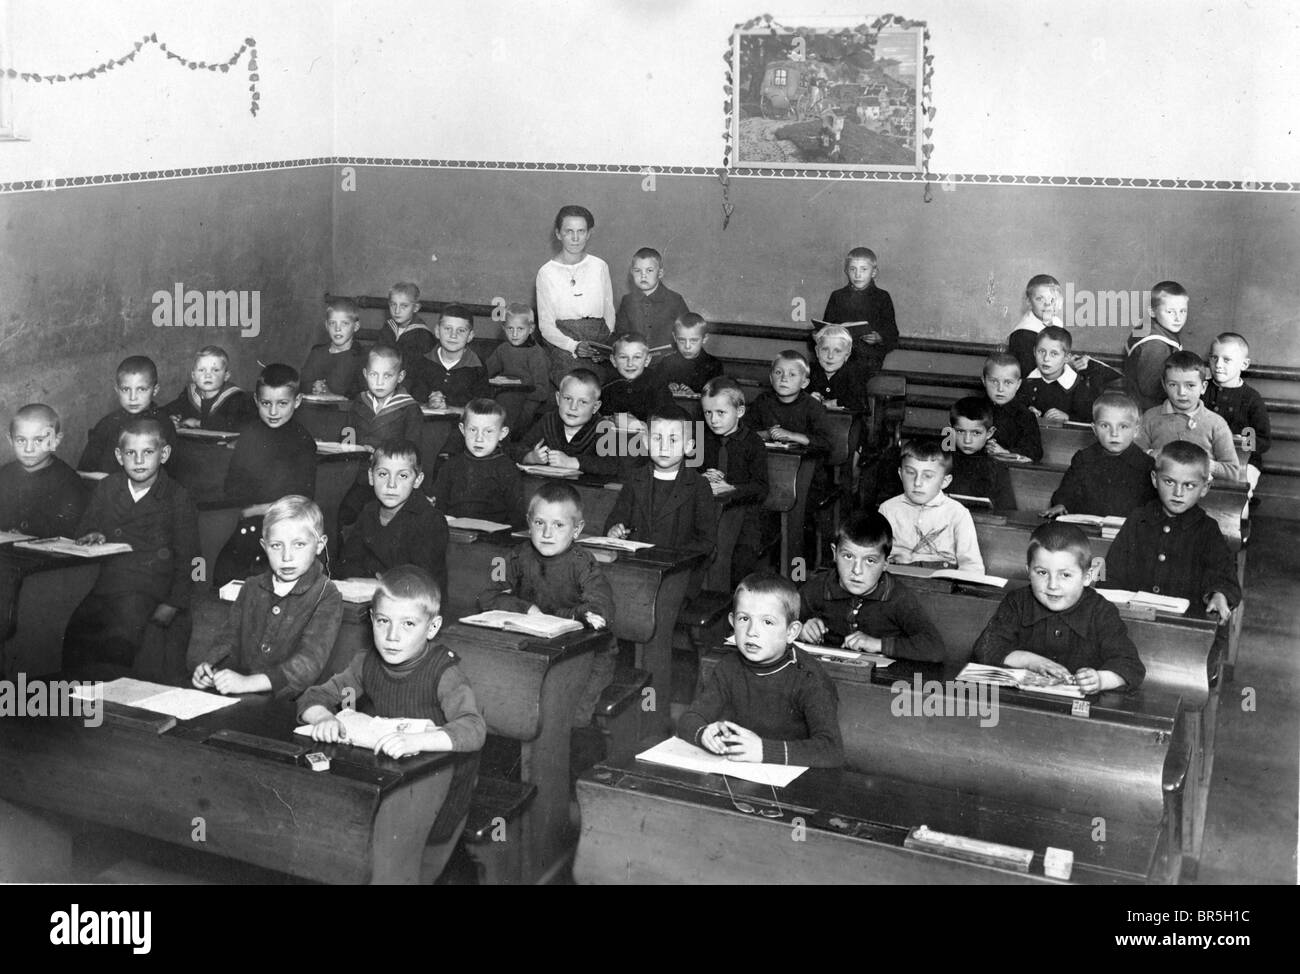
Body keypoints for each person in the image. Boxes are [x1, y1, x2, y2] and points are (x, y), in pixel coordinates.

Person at [297, 565, 485, 865]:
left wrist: (417, 741)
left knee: (391, 857)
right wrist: (322, 718)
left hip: (444, 787)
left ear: (432, 628)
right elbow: (314, 696)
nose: (392, 636)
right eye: (383, 621)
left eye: (408, 624)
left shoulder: (444, 673)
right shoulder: (366, 663)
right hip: (392, 776)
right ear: (372, 619)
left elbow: (474, 729)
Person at [65, 417, 197, 680]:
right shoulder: (108, 487)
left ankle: (114, 697)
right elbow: (83, 529)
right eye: (130, 453)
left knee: (120, 637)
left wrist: (176, 603)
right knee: (76, 629)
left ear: (164, 454)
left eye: (148, 452)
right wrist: (92, 534)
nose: (138, 461)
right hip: (104, 585)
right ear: (118, 455)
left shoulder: (177, 496)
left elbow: (194, 560)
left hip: (148, 589)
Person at [478, 481, 616, 724]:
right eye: (539, 523)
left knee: (571, 713)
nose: (547, 533)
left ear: (577, 529)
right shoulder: (517, 556)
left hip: (587, 654)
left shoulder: (584, 562)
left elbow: (600, 610)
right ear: (529, 522)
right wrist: (527, 609)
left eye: (559, 525)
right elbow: (488, 595)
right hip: (537, 647)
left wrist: (568, 615)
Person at [677, 572, 844, 768]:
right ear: (732, 622)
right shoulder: (728, 667)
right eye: (743, 619)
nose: (752, 632)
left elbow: (832, 751)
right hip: (743, 772)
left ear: (791, 632)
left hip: (793, 782)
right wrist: (704, 734)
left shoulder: (809, 677)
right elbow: (690, 719)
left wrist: (764, 751)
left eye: (767, 622)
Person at [193, 495, 341, 699]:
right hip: (242, 694)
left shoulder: (326, 594)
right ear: (264, 546)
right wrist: (210, 667)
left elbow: (308, 662)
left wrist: (248, 683)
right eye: (276, 546)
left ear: (319, 544)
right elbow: (229, 639)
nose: (287, 557)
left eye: (299, 545)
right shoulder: (252, 587)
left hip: (293, 703)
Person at [973, 521, 1145, 693]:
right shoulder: (1017, 602)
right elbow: (985, 648)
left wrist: (1101, 680)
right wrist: (1030, 661)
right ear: (1028, 571)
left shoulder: (1101, 611)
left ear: (1087, 576)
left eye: (1065, 575)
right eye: (1042, 573)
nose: (1052, 585)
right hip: (1024, 704)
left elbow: (1130, 665)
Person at [1104, 441, 1240, 635]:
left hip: (1182, 628)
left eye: (1189, 485)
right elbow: (1112, 569)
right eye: (1169, 482)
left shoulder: (1207, 530)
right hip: (1130, 621)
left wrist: (1219, 594)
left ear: (1204, 488)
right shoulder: (1138, 519)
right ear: (1154, 479)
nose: (1178, 493)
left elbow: (1223, 573)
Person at [214, 364, 318, 586]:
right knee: (224, 574)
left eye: (282, 404)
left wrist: (254, 509)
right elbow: (232, 486)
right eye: (266, 404)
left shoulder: (303, 441)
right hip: (250, 524)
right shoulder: (250, 435)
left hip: (286, 526)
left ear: (297, 401)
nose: (273, 412)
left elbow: (301, 499)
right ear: (256, 401)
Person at [799, 512, 946, 661]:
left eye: (870, 560)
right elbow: (782, 623)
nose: (857, 571)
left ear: (885, 564)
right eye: (848, 557)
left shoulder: (898, 597)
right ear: (834, 553)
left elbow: (935, 649)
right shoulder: (818, 586)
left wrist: (878, 644)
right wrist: (801, 631)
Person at [0, 404, 89, 641]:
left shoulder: (66, 480)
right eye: (21, 440)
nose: (29, 448)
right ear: (10, 440)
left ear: (55, 441)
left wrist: (23, 532)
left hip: (42, 560)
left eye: (39, 440)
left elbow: (67, 527)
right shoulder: (5, 475)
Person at [336, 439, 449, 598]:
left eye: (403, 476)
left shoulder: (430, 520)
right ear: (371, 477)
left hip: (415, 605)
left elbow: (421, 581)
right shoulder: (369, 511)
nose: (391, 484)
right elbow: (348, 563)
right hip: (369, 597)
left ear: (417, 480)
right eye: (383, 474)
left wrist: (380, 584)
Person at [604, 405, 716, 556]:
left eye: (673, 440)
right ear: (646, 441)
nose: (664, 447)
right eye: (657, 438)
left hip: (679, 568)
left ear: (688, 446)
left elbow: (706, 542)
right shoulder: (634, 479)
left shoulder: (699, 486)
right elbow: (616, 519)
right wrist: (614, 531)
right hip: (635, 563)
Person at [337, 344, 423, 534]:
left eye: (387, 376)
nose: (379, 382)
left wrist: (378, 454)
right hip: (356, 477)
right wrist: (353, 450)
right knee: (342, 514)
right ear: (365, 374)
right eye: (374, 374)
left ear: (400, 377)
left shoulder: (409, 409)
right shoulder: (360, 402)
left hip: (389, 481)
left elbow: (412, 451)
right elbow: (346, 435)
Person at [700, 377, 771, 587]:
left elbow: (761, 488)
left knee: (740, 561)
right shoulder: (701, 438)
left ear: (739, 412)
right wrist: (702, 478)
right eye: (708, 413)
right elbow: (689, 475)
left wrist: (731, 489)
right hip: (709, 514)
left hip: (745, 518)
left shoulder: (753, 443)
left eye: (721, 413)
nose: (713, 420)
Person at [535, 204, 616, 387]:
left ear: (589, 234)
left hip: (599, 343)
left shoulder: (599, 266)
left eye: (581, 231)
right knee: (576, 387)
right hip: (565, 345)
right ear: (558, 234)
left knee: (611, 389)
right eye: (568, 231)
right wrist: (574, 347)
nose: (575, 238)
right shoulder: (546, 273)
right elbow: (546, 327)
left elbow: (609, 312)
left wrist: (602, 347)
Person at [1042, 391, 1156, 518]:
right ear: (1094, 429)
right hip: (1087, 527)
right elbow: (1067, 490)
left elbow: (1152, 505)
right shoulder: (1083, 458)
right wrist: (1061, 504)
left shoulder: (1146, 463)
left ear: (1135, 431)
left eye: (1123, 427)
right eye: (1105, 425)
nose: (1114, 433)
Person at [878, 435, 984, 571]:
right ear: (900, 474)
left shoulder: (958, 513)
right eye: (910, 472)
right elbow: (875, 556)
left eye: (927, 476)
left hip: (942, 581)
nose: (917, 482)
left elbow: (971, 565)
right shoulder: (887, 509)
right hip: (896, 577)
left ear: (945, 481)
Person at [1135, 350, 1239, 482]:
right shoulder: (1150, 417)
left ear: (1203, 387)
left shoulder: (1216, 423)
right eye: (1173, 385)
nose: (1181, 392)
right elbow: (1133, 458)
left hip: (1201, 496)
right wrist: (1152, 454)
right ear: (1164, 385)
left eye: (1190, 385)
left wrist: (1204, 463)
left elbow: (1233, 472)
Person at [427, 398, 524, 527]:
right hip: (454, 532)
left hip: (491, 537)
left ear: (502, 433)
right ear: (462, 430)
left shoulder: (507, 469)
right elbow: (439, 505)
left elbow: (516, 515)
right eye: (473, 430)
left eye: (488, 431)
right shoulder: (450, 466)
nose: (479, 438)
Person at [77, 355, 177, 473]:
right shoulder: (106, 424)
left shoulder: (164, 423)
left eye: (141, 389)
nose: (132, 397)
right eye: (125, 389)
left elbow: (172, 472)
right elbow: (84, 470)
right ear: (117, 390)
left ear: (155, 390)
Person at [513, 368, 619, 476]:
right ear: (558, 398)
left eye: (583, 402)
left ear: (595, 407)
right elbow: (518, 448)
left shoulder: (604, 428)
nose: (573, 407)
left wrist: (573, 462)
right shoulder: (548, 421)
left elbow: (613, 465)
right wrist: (530, 457)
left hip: (588, 490)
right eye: (568, 399)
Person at [1205, 332, 1270, 494]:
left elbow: (1263, 439)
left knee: (1241, 491)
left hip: (1243, 460)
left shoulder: (1251, 398)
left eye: (1226, 360)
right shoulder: (1201, 390)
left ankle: (1242, 515)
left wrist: (1244, 443)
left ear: (1244, 364)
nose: (1218, 364)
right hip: (1207, 456)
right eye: (1214, 358)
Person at [819, 246, 898, 373]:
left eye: (864, 269)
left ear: (873, 273)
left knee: (850, 373)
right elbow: (827, 326)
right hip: (837, 355)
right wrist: (819, 333)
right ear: (846, 271)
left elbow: (893, 334)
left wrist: (879, 338)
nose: (857, 274)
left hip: (868, 358)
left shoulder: (882, 297)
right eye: (852, 269)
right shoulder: (837, 296)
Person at [485, 303, 552, 433]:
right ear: (503, 328)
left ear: (531, 329)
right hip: (504, 392)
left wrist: (519, 389)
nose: (514, 334)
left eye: (520, 329)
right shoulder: (503, 349)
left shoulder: (536, 354)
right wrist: (495, 381)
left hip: (529, 397)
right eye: (510, 328)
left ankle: (503, 439)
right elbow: (485, 372)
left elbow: (542, 391)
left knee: (507, 407)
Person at [407, 304, 491, 406]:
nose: (453, 335)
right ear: (437, 331)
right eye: (447, 328)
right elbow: (414, 398)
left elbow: (481, 408)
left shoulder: (478, 367)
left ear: (470, 336)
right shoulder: (422, 362)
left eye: (461, 330)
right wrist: (430, 400)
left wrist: (449, 407)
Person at [1123, 281, 1187, 413]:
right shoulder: (1156, 345)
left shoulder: (1149, 327)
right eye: (1170, 312)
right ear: (1152, 311)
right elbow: (1150, 389)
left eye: (1183, 311)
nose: (1178, 318)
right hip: (1148, 410)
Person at [945, 396, 1017, 509]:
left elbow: (1007, 510)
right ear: (951, 429)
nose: (967, 440)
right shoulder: (940, 461)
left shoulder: (997, 469)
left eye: (976, 433)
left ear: (989, 433)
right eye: (960, 431)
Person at [1018, 325, 1100, 424]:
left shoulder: (1078, 386)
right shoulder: (1026, 381)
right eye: (1041, 351)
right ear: (1034, 352)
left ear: (1066, 358)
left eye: (1054, 354)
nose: (1046, 359)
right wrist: (1027, 411)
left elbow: (1088, 420)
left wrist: (1068, 418)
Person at [164, 345, 254, 432]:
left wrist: (197, 423)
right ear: (193, 376)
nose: (207, 375)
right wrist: (172, 419)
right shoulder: (189, 394)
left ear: (226, 376)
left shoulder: (235, 398)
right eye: (201, 370)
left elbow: (235, 424)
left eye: (215, 370)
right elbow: (165, 411)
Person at [613, 247, 690, 350]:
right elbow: (620, 334)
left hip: (667, 361)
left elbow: (687, 334)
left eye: (649, 270)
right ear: (631, 272)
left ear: (660, 273)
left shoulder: (675, 300)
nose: (643, 276)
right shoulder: (627, 301)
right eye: (637, 271)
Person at [356, 282, 436, 380]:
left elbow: (419, 371)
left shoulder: (422, 335)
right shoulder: (388, 327)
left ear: (415, 308)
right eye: (393, 304)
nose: (397, 311)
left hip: (409, 381)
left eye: (404, 306)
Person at [980, 352, 1043, 462]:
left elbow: (1035, 452)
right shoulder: (972, 409)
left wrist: (1005, 453)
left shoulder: (1025, 416)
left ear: (1018, 385)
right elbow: (951, 443)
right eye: (994, 381)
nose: (1000, 389)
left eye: (1008, 383)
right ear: (984, 380)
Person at [600, 331, 671, 428]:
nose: (630, 363)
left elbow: (668, 419)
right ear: (613, 360)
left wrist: (637, 425)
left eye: (637, 357)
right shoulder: (607, 386)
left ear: (647, 360)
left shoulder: (657, 384)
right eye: (623, 357)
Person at [300, 297, 367, 398]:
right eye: (332, 323)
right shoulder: (317, 353)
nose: (337, 329)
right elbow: (302, 383)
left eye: (344, 323)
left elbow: (360, 394)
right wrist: (313, 386)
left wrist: (333, 395)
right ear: (326, 325)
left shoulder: (361, 356)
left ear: (356, 326)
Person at [1006, 274, 1062, 380]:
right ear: (1029, 302)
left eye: (1052, 300)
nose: (1047, 304)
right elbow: (1029, 375)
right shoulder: (1023, 334)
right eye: (1040, 299)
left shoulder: (1056, 322)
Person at [653, 312, 723, 397]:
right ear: (675, 337)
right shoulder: (666, 362)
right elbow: (655, 392)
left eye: (693, 340)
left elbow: (715, 398)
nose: (687, 346)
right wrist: (666, 389)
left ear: (704, 339)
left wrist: (694, 396)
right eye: (682, 340)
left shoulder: (714, 365)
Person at [808, 322, 868, 412]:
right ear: (817, 351)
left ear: (847, 355)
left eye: (837, 351)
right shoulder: (809, 371)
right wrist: (808, 398)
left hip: (847, 423)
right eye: (825, 350)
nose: (830, 356)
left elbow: (859, 402)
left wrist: (834, 402)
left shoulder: (853, 375)